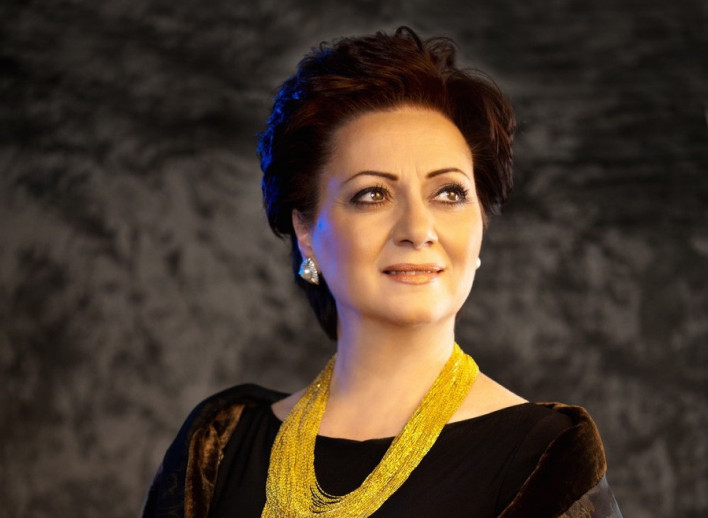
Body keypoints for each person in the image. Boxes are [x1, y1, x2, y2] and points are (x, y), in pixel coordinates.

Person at [141, 27, 623, 518]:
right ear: (305, 231)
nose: (418, 229)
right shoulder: (218, 448)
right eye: (373, 194)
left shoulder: (545, 460)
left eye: (449, 193)